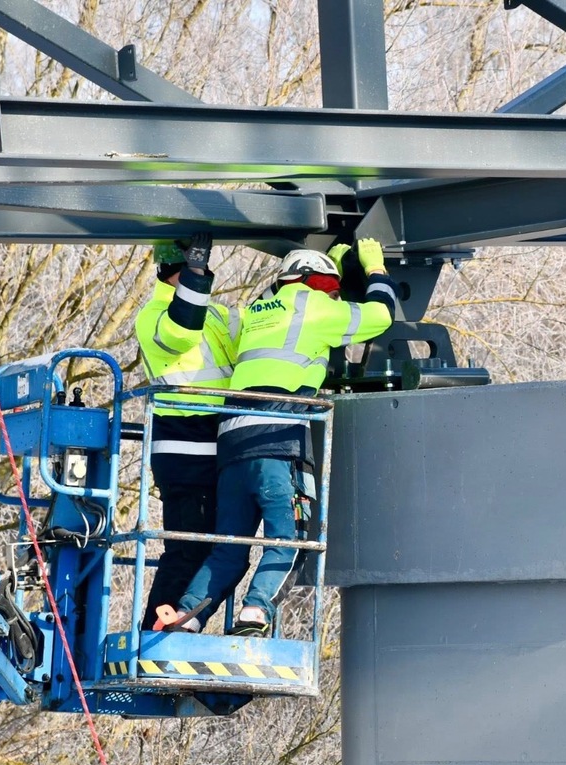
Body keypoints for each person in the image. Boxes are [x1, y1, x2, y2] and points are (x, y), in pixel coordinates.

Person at [153, 238, 398, 635]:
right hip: (278, 441)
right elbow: (379, 315)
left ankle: (186, 617)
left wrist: (329, 264)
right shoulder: (318, 306)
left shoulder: (255, 312)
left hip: (231, 443)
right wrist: (375, 269)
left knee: (228, 547)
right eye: (333, 288)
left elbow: (279, 297)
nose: (336, 296)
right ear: (318, 283)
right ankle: (255, 612)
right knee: (290, 538)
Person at [134, 233, 240, 631]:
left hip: (217, 447)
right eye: (197, 272)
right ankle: (154, 632)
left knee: (219, 550)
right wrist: (195, 273)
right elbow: (181, 331)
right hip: (185, 449)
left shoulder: (213, 314)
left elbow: (259, 331)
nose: (205, 279)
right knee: (186, 550)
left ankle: (180, 624)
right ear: (175, 273)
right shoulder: (155, 315)